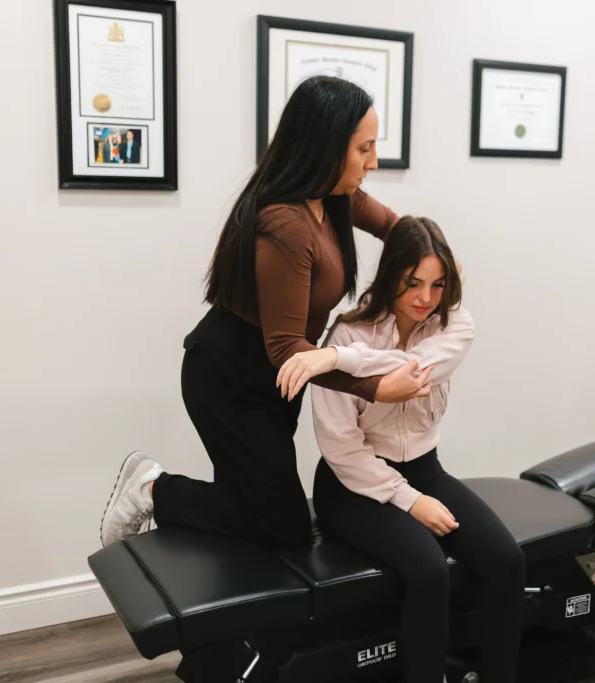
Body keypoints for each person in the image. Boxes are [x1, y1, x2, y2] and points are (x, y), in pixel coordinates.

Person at [98, 75, 436, 555]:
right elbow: (286, 349)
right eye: (364, 149)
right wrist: (375, 385)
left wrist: (437, 265)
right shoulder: (285, 222)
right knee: (283, 528)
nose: (373, 162)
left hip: (275, 383)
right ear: (327, 146)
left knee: (258, 508)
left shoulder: (336, 198)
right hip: (229, 377)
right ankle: (152, 488)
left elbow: (400, 229)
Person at [302, 216, 526, 683]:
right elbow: (341, 447)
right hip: (352, 484)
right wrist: (410, 501)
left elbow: (417, 369)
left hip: (425, 468)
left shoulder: (454, 324)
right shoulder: (349, 331)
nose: (426, 298)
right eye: (413, 283)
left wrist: (337, 361)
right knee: (428, 571)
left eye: (438, 284)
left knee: (507, 560)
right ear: (392, 277)